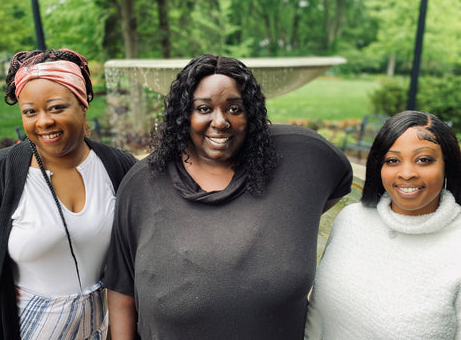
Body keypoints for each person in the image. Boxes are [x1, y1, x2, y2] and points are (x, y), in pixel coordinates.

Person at [103, 54, 353, 339]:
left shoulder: (305, 156)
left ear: (252, 114)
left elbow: (338, 188)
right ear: (183, 114)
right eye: (203, 108)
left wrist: (293, 217)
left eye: (235, 108)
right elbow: (122, 293)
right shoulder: (143, 184)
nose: (220, 121)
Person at [0, 48, 137, 340]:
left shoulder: (119, 167)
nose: (43, 121)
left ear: (83, 104)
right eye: (30, 112)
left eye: (56, 107)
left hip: (102, 328)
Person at [304, 110, 461, 339]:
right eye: (393, 160)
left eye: (424, 160)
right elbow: (316, 316)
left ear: (448, 165)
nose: (407, 173)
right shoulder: (351, 219)